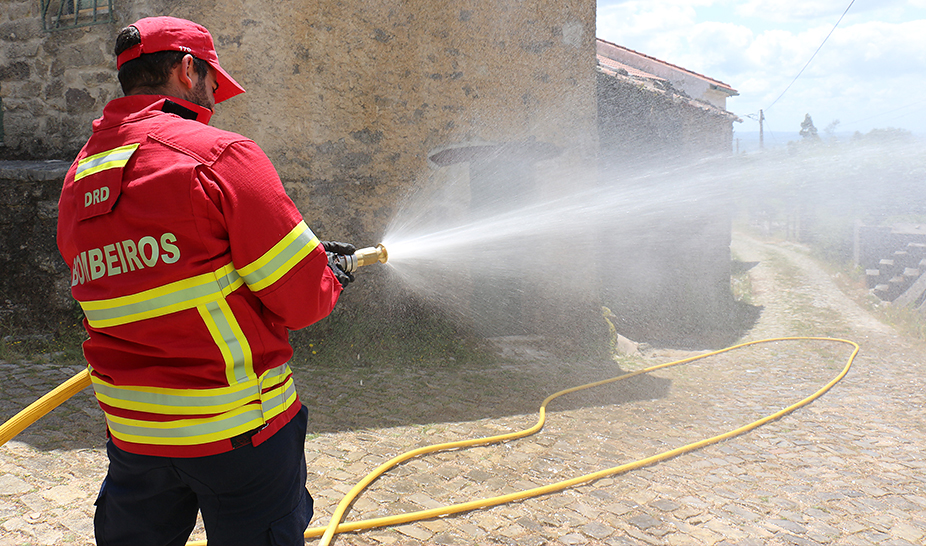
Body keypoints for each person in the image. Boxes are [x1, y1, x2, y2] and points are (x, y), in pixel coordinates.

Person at [56, 16, 355, 546]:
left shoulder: (78, 180)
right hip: (239, 435)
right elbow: (303, 300)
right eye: (213, 79)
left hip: (135, 436)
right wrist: (326, 274)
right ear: (186, 70)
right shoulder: (219, 156)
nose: (216, 96)